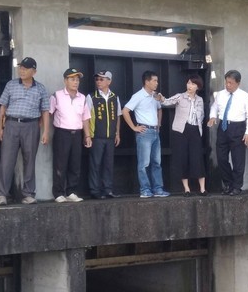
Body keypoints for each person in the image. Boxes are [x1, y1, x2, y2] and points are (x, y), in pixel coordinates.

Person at [0, 57, 50, 206]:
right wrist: (0, 128)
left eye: (25, 68)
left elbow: (45, 111)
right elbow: (3, 107)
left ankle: (28, 194)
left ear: (34, 71)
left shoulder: (40, 88)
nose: (22, 70)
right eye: (21, 68)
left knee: (30, 161)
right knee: (7, 161)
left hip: (31, 126)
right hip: (12, 125)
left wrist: (45, 132)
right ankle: (2, 195)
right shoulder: (11, 85)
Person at [122, 70, 170, 198]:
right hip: (144, 132)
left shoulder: (156, 96)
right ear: (146, 81)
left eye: (157, 81)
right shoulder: (138, 96)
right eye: (154, 80)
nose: (156, 83)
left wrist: (158, 124)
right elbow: (125, 111)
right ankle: (145, 190)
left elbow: (160, 109)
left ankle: (158, 189)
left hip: (155, 131)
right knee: (144, 163)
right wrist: (134, 127)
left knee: (156, 162)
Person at [158, 74, 208, 197]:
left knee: (197, 158)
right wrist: (161, 98)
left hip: (195, 129)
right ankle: (186, 189)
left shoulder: (200, 100)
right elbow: (167, 102)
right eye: (188, 83)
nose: (190, 85)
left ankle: (202, 188)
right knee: (182, 158)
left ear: (198, 87)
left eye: (193, 84)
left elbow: (201, 116)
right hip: (181, 130)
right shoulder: (180, 97)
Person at [207, 70, 248, 196]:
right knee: (221, 158)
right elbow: (214, 107)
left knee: (238, 160)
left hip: (238, 128)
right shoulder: (221, 95)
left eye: (230, 83)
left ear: (238, 83)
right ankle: (228, 184)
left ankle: (237, 186)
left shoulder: (245, 96)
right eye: (226, 82)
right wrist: (212, 116)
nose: (228, 85)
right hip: (223, 127)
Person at [50, 67, 92, 203]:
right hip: (62, 133)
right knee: (60, 164)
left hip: (77, 134)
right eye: (72, 79)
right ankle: (58, 193)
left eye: (77, 80)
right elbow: (48, 114)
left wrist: (87, 136)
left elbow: (85, 118)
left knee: (75, 164)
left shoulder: (82, 98)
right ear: (65, 81)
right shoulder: (56, 96)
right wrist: (45, 132)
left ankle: (71, 191)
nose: (76, 82)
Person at [87, 70, 122, 199]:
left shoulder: (114, 97)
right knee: (95, 164)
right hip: (96, 136)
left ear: (109, 81)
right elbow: (86, 117)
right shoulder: (91, 97)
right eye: (97, 79)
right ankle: (95, 190)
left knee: (108, 164)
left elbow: (118, 116)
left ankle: (108, 189)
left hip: (110, 136)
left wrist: (117, 133)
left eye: (102, 79)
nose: (98, 82)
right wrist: (88, 135)